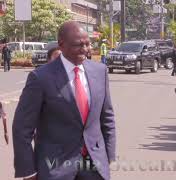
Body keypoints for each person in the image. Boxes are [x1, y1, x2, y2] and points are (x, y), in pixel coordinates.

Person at [12, 21, 116, 180]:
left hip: (94, 165)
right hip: (55, 167)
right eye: (78, 45)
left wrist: (109, 156)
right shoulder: (40, 78)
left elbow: (107, 117)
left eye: (88, 44)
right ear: (61, 44)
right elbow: (22, 128)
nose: (86, 49)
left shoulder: (99, 71)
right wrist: (28, 171)